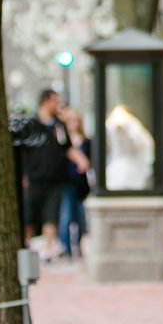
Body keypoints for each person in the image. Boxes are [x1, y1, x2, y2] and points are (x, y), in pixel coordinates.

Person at [23, 89, 88, 260]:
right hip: (34, 179)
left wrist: (80, 159)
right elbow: (22, 152)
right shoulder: (31, 123)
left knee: (51, 215)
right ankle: (25, 247)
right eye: (55, 101)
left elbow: (66, 148)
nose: (57, 104)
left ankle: (47, 249)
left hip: (54, 179)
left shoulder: (59, 125)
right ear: (46, 101)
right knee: (29, 215)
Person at [58, 107, 92, 259]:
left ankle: (77, 247)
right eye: (71, 120)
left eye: (76, 120)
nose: (74, 123)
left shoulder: (86, 141)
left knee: (80, 220)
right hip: (66, 183)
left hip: (81, 185)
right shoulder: (63, 140)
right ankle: (67, 251)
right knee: (66, 217)